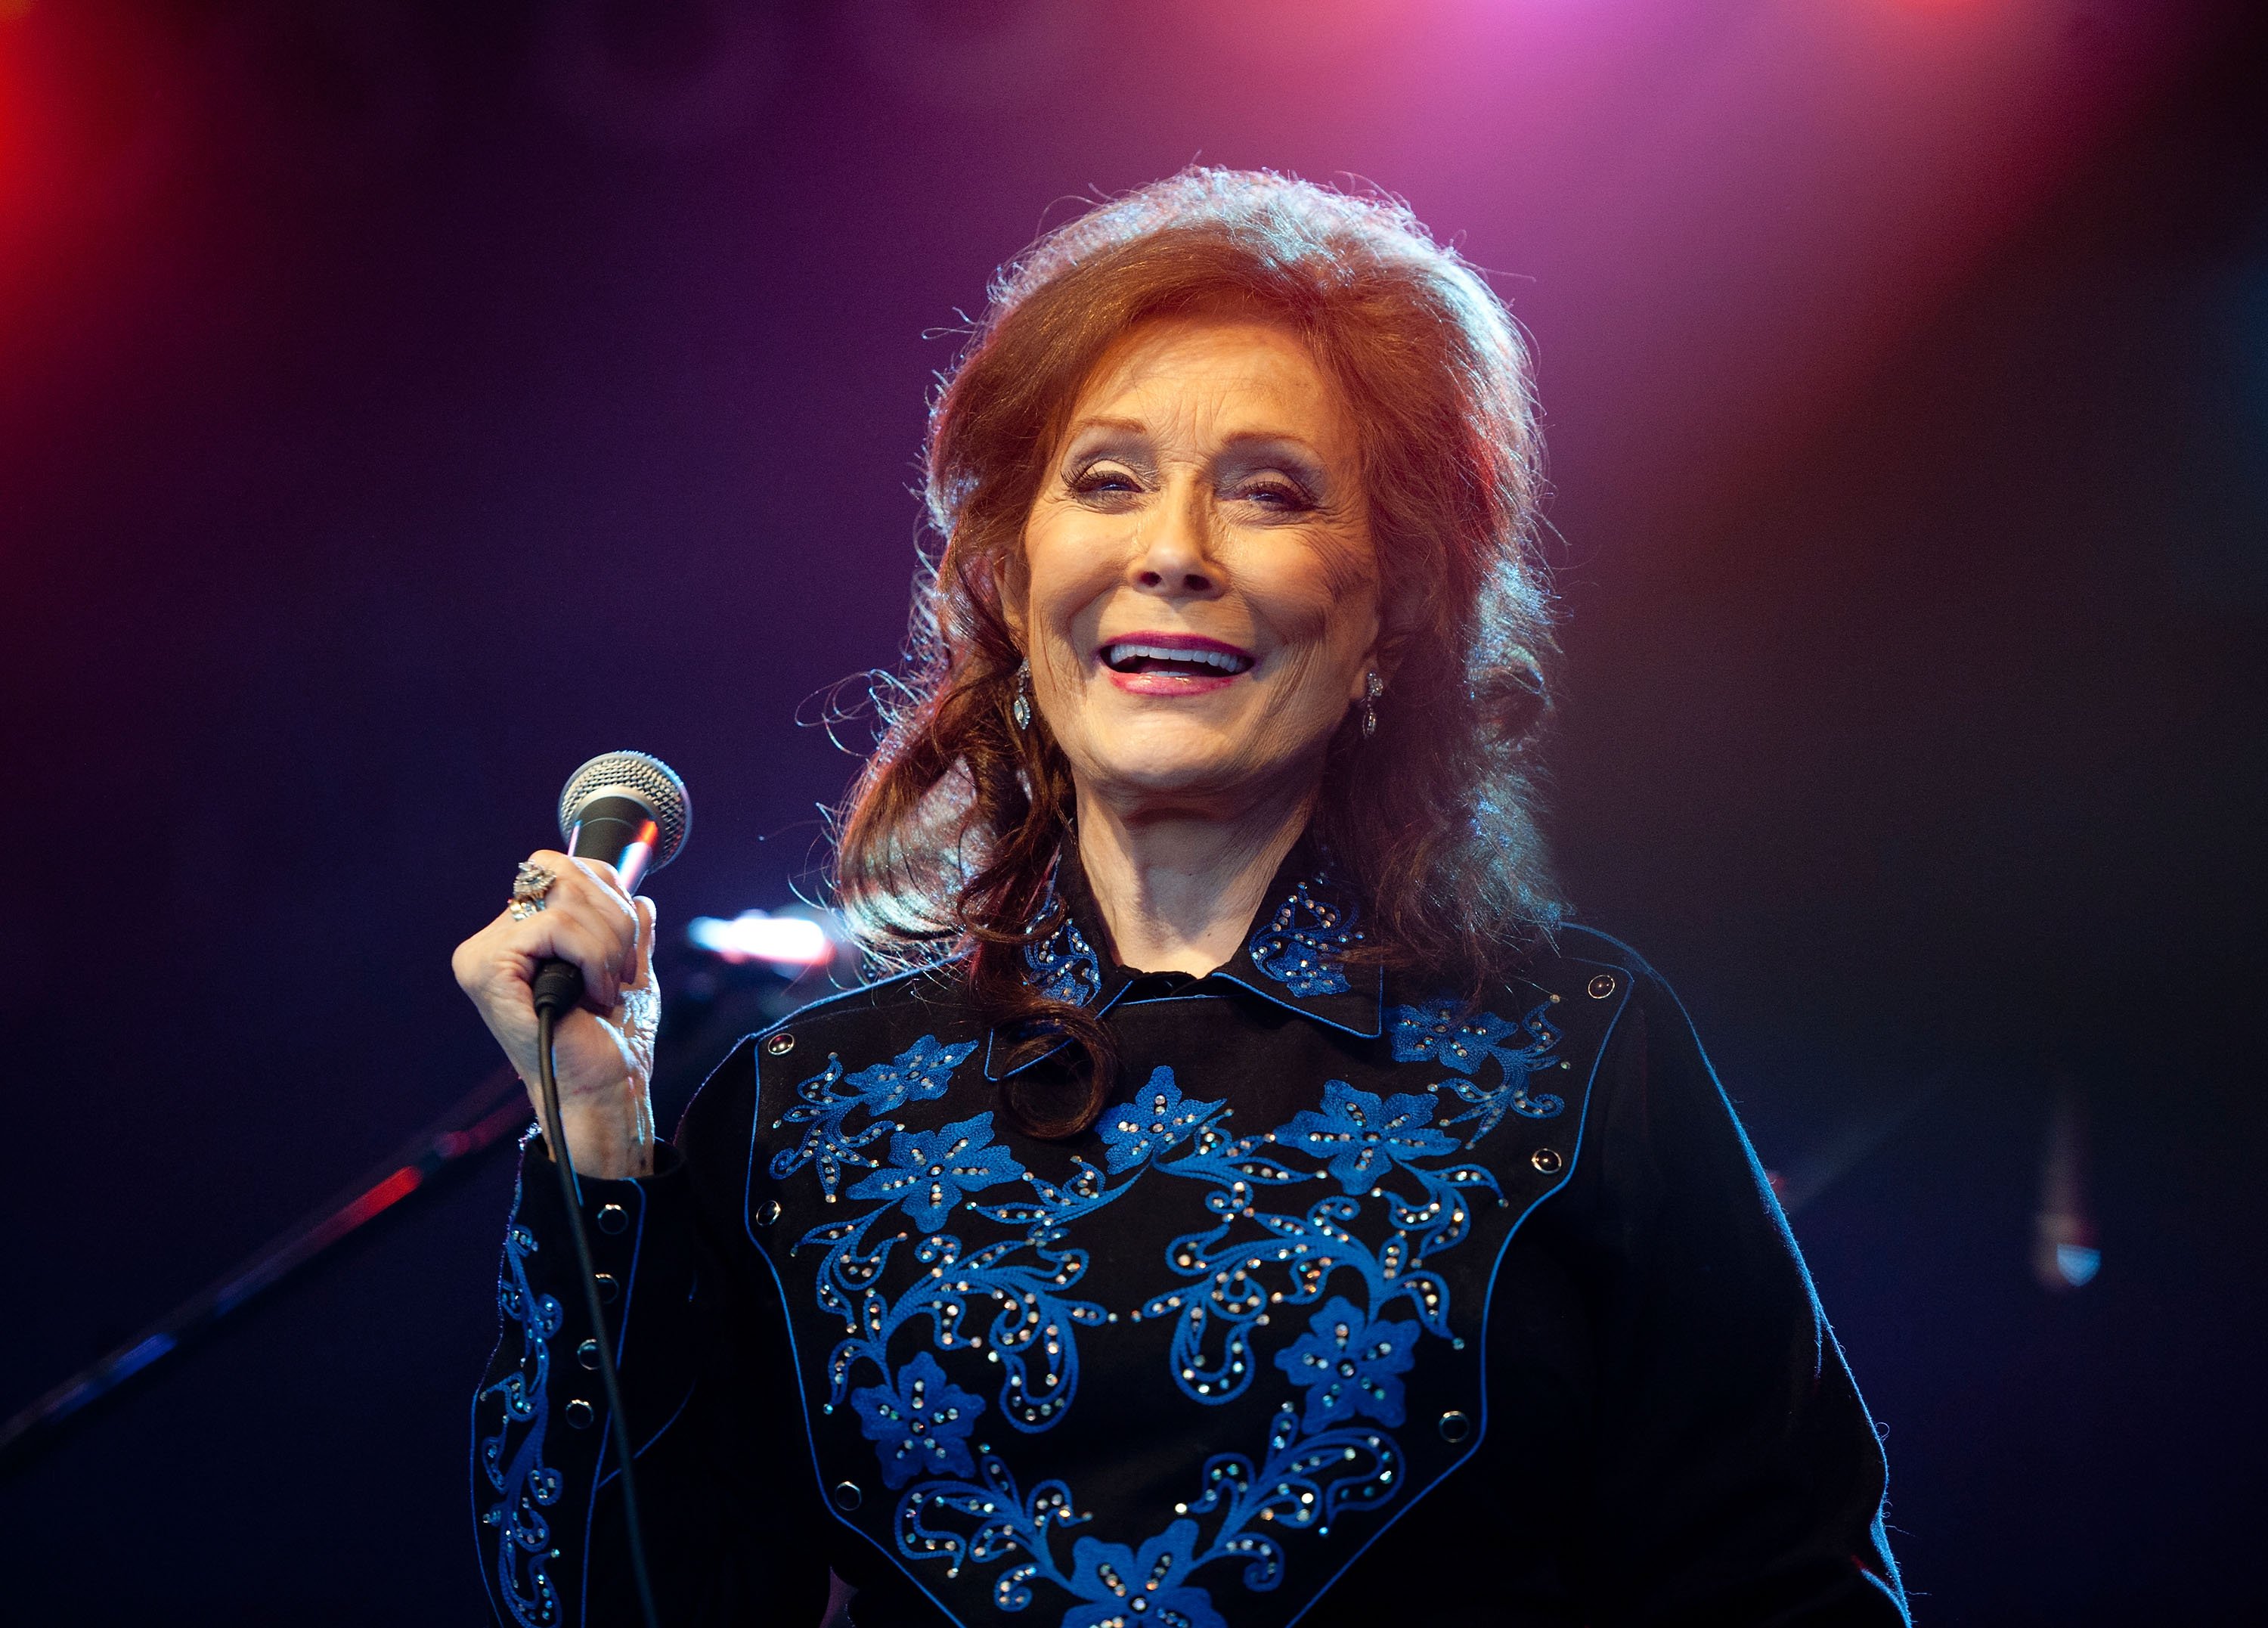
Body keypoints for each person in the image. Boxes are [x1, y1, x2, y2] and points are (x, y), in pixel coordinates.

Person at [455, 169, 1909, 1628]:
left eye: (1270, 491)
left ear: (1395, 611)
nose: (1173, 550)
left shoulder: (1572, 1053)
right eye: (1108, 481)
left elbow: (1790, 1595)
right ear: (1016, 585)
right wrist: (592, 1143)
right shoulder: (806, 1105)